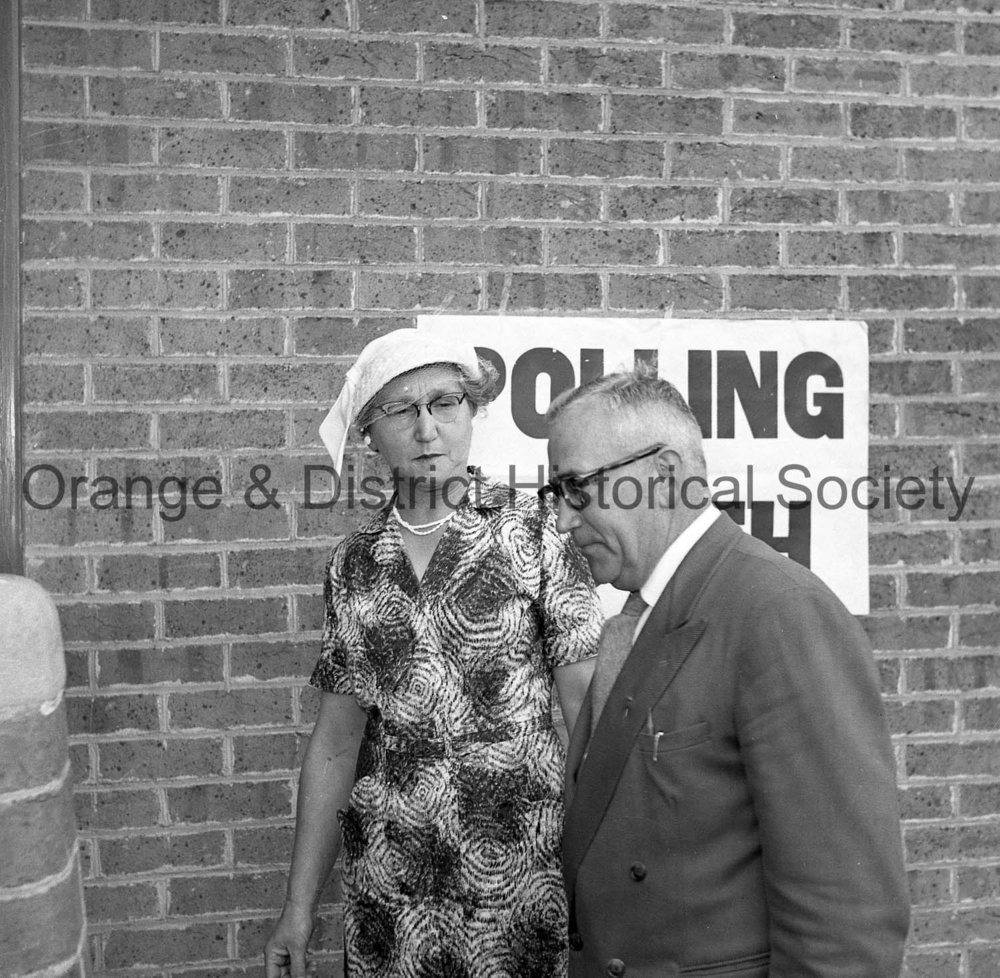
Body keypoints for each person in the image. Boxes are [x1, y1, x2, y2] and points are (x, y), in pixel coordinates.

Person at [541, 368, 910, 978]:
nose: (562, 522)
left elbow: (846, 921)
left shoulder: (778, 613)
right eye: (555, 494)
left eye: (577, 488)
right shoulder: (634, 622)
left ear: (662, 475)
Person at [264, 329, 601, 978]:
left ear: (472, 412)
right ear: (369, 435)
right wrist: (297, 904)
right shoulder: (355, 566)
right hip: (394, 894)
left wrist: (606, 868)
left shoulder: (535, 534)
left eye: (445, 403)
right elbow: (337, 742)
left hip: (522, 878)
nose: (427, 429)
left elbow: (589, 710)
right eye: (401, 410)